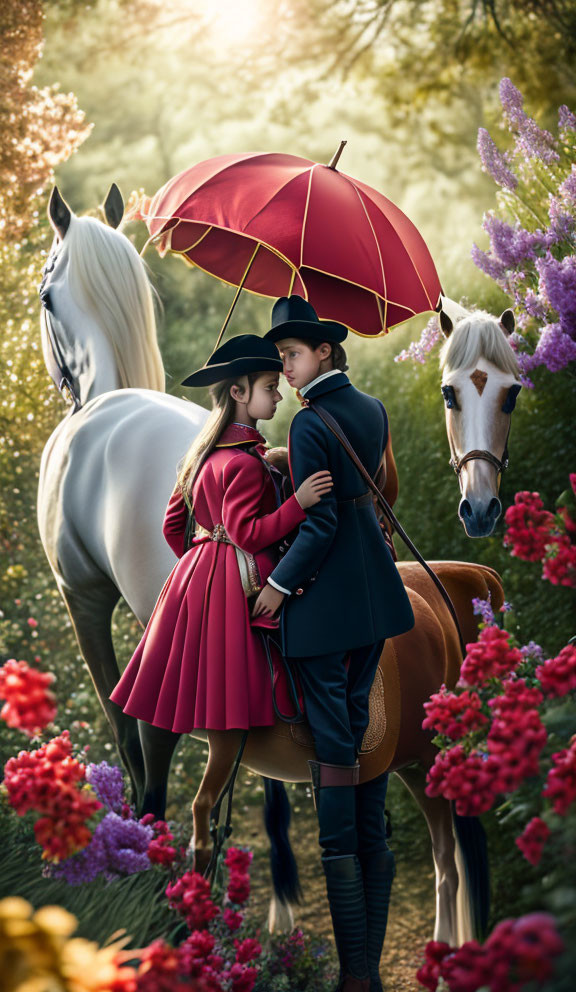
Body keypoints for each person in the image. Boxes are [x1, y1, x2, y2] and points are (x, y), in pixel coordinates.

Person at [254, 296, 415, 992]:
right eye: (281, 360)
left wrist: (279, 588)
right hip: (377, 600)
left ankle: (355, 971)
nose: (284, 370)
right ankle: (367, 968)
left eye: (290, 356)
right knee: (359, 737)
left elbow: (316, 530)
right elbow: (372, 496)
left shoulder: (309, 420)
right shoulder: (373, 409)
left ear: (322, 352)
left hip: (321, 612)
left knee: (334, 755)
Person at [109, 333, 332, 822]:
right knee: (294, 631)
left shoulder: (200, 457)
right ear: (238, 393)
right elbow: (251, 534)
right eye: (270, 387)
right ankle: (313, 738)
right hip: (240, 574)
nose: (277, 396)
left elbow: (173, 526)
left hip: (196, 573)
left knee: (210, 669)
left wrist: (201, 561)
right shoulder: (247, 465)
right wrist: (299, 504)